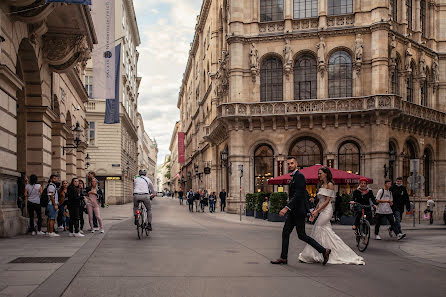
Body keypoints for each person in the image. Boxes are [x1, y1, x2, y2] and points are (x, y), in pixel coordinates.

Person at [298, 167, 365, 265]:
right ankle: (324, 252)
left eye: (320, 173)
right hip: (321, 209)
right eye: (318, 173)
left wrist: (317, 211)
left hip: (327, 210)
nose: (319, 175)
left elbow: (327, 201)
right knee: (325, 231)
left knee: (319, 228)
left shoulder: (330, 184)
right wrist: (314, 211)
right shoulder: (322, 185)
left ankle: (323, 252)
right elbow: (320, 201)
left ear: (326, 174)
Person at [271, 157, 331, 265]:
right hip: (294, 212)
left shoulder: (300, 176)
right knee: (286, 232)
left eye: (292, 163)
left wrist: (286, 207)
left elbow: (298, 194)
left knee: (302, 235)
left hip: (298, 212)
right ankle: (283, 258)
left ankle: (324, 250)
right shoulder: (294, 177)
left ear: (296, 164)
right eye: (288, 164)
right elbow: (304, 194)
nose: (290, 165)